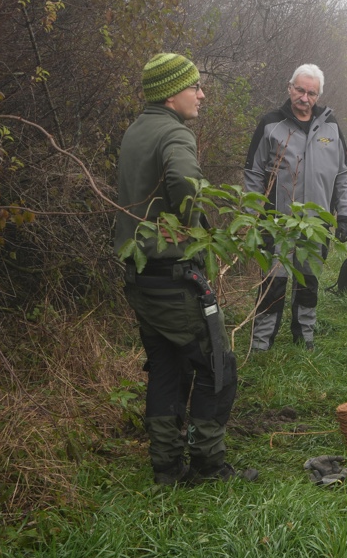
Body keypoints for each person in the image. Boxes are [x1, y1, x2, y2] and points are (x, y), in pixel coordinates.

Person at [115, 53, 242, 484]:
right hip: (173, 278)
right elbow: (188, 189)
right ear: (173, 94)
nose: (202, 95)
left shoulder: (137, 130)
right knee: (216, 368)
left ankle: (166, 468)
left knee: (167, 368)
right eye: (195, 87)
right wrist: (205, 230)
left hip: (141, 276)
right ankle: (208, 465)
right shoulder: (175, 134)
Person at [244, 64, 347, 352]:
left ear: (318, 95)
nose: (305, 98)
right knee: (273, 282)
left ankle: (304, 336)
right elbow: (253, 174)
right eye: (300, 90)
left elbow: (344, 174)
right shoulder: (270, 125)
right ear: (289, 88)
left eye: (311, 93)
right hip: (277, 222)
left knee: (308, 282)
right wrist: (253, 215)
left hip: (316, 224)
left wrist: (344, 215)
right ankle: (261, 342)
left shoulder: (331, 127)